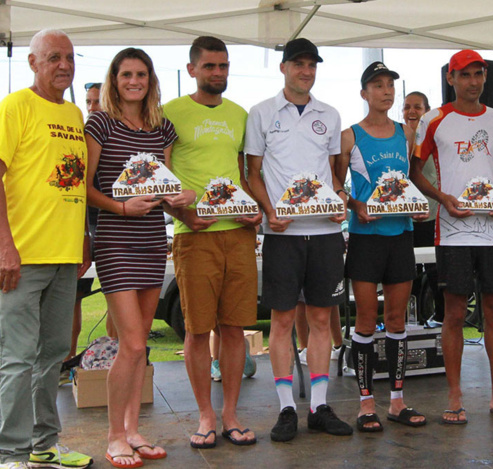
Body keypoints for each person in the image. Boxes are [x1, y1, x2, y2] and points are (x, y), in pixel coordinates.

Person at [0, 29, 93, 469]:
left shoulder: (74, 113)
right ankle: (11, 453)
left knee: (52, 357)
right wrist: (5, 247)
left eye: (68, 57)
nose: (63, 65)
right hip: (22, 259)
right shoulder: (15, 107)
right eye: (52, 58)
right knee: (16, 360)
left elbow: (74, 182)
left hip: (66, 257)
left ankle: (45, 443)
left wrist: (83, 234)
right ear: (32, 63)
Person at [85, 47, 194, 467]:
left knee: (141, 344)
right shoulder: (99, 123)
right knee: (129, 342)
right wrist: (119, 207)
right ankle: (114, 435)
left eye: (142, 74)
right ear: (114, 79)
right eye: (126, 74)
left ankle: (132, 430)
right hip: (113, 239)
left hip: (152, 240)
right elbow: (86, 187)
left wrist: (179, 198)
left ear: (151, 80)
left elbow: (164, 192)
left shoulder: (160, 128)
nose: (134, 81)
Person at [410, 49, 493, 424]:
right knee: (455, 315)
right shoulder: (433, 119)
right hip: (453, 231)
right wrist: (443, 198)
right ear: (451, 79)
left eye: (479, 74)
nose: (473, 82)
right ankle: (455, 396)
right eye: (465, 75)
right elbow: (414, 172)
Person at [246, 37, 353, 442]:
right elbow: (252, 173)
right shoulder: (261, 113)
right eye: (299, 64)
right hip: (283, 235)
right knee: (283, 320)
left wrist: (340, 200)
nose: (306, 71)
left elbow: (331, 175)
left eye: (311, 65)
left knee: (323, 319)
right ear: (284, 68)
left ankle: (320, 406)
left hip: (325, 233)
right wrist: (271, 211)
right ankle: (286, 409)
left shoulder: (330, 113)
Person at [162, 35, 260, 448]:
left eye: (223, 66)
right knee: (198, 330)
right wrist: (181, 214)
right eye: (209, 67)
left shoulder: (240, 115)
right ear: (192, 70)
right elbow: (160, 175)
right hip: (194, 237)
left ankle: (232, 414)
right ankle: (205, 415)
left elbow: (242, 175)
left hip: (237, 235)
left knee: (235, 328)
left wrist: (254, 212)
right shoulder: (170, 113)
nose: (217, 73)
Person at [335, 62, 428, 432]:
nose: (386, 91)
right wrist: (355, 205)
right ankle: (365, 403)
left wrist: (417, 207)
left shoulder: (406, 133)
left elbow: (409, 183)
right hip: (364, 238)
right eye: (377, 85)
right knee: (365, 321)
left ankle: (398, 401)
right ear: (364, 93)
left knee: (396, 320)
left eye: (391, 85)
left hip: (400, 235)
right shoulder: (349, 136)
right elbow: (334, 185)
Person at [67, 82, 105, 363]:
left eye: (97, 102)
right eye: (88, 102)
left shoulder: (118, 133)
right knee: (73, 296)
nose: (92, 108)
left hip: (114, 223)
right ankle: (66, 359)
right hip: (80, 225)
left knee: (118, 299)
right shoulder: (77, 137)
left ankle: (117, 356)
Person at [403, 92, 443, 325]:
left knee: (436, 272)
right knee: (410, 276)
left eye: (417, 107)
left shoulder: (435, 138)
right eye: (407, 107)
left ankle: (440, 320)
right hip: (406, 219)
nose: (411, 111)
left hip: (432, 216)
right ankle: (412, 322)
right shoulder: (398, 138)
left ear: (427, 111)